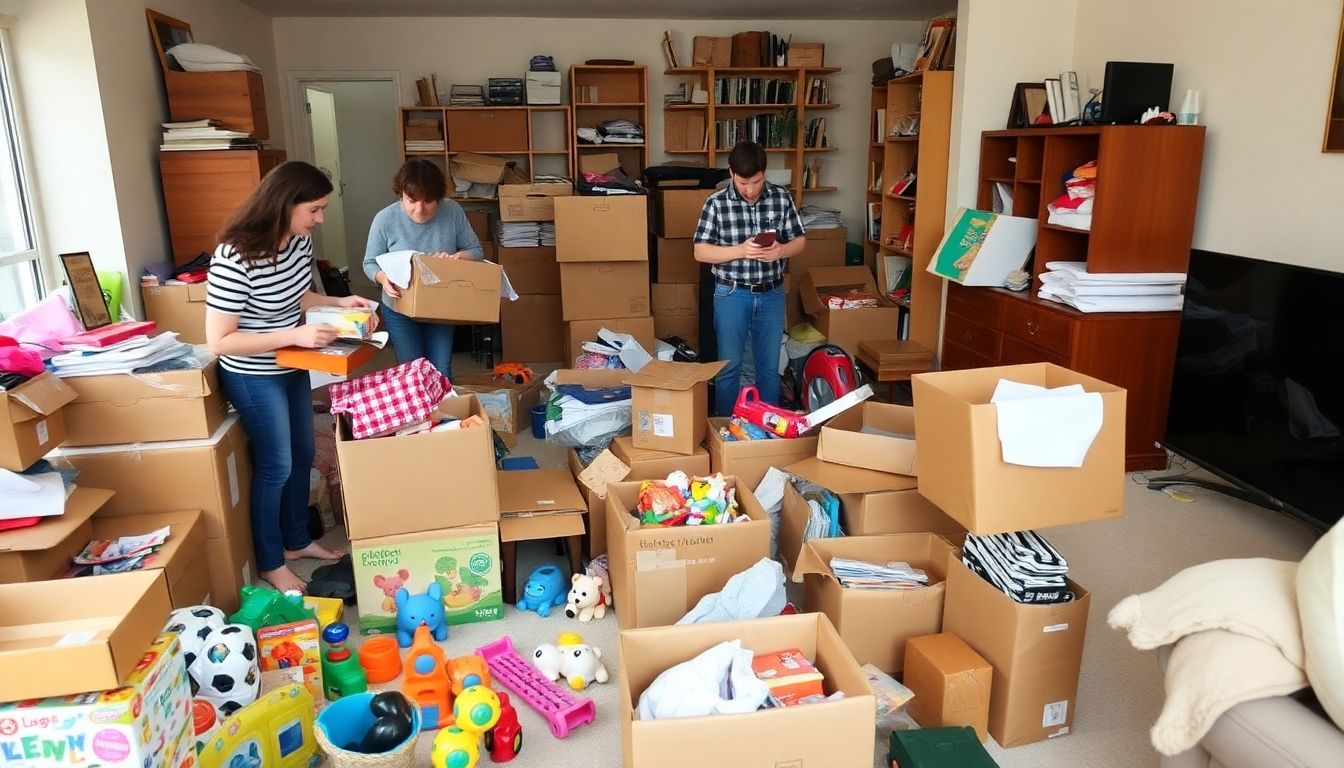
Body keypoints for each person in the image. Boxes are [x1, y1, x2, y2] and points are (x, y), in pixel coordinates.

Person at [205, 160, 379, 594]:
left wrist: (340, 305)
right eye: (314, 209)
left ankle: (296, 540)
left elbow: (299, 294)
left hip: (291, 362)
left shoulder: (298, 243)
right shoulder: (235, 255)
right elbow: (220, 341)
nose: (320, 219)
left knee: (302, 454)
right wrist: (294, 334)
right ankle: (271, 561)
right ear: (285, 205)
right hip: (253, 373)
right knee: (276, 465)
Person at [693, 141, 807, 417]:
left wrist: (781, 250)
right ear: (731, 173)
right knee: (729, 367)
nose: (751, 189)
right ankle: (724, 429)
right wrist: (741, 250)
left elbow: (800, 241)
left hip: (771, 293)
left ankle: (768, 427)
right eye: (744, 183)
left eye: (756, 181)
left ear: (764, 172)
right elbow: (700, 251)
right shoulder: (716, 203)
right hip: (732, 294)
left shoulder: (781, 198)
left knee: (768, 368)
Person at [364, 158, 484, 380]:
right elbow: (369, 263)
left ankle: (446, 415)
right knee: (412, 372)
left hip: (440, 306)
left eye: (428, 201)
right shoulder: (385, 219)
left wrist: (456, 258)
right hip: (399, 307)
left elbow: (476, 250)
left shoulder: (452, 211)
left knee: (441, 369)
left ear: (439, 198)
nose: (419, 209)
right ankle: (421, 416)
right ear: (401, 194)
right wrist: (382, 278)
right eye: (412, 200)